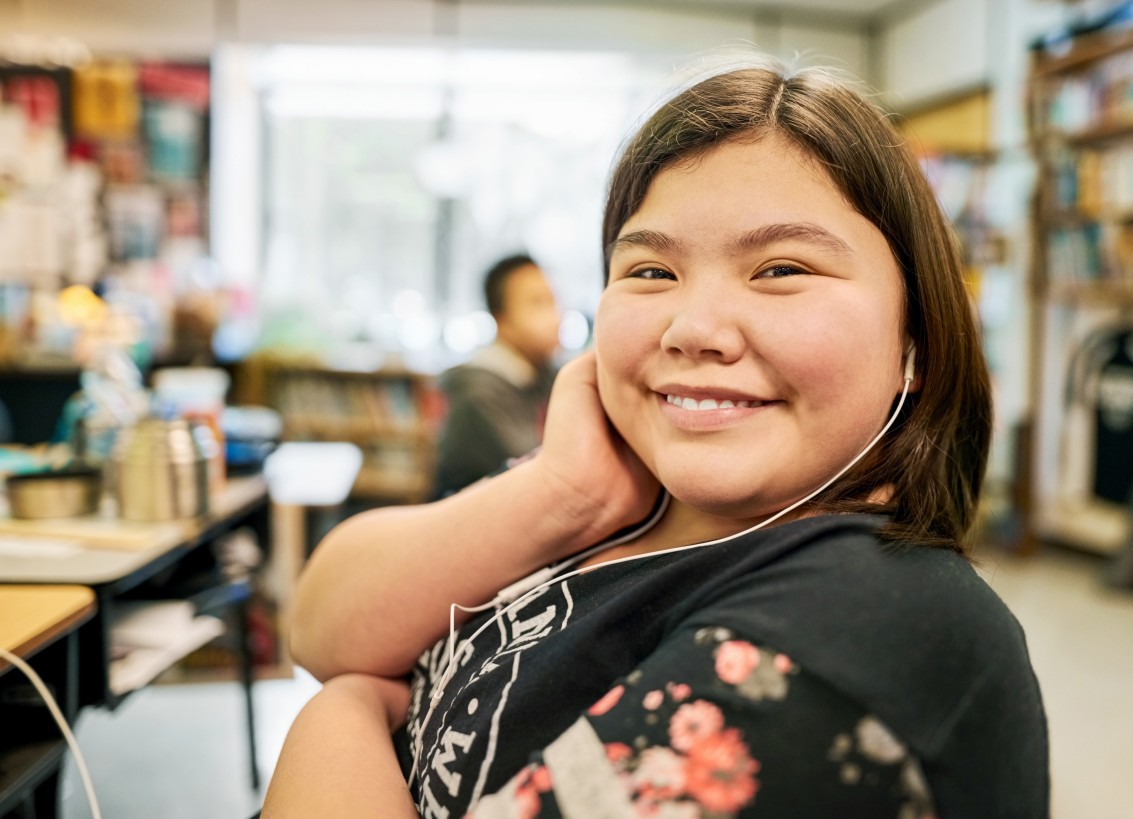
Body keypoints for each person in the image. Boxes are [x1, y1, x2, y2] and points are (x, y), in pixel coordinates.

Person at [262, 57, 1048, 818]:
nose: (692, 328)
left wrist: (342, 715)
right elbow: (323, 622)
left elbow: (340, 670)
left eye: (780, 270)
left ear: (916, 337)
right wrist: (560, 493)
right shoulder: (608, 491)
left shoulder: (877, 624)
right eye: (650, 272)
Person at [434, 254, 561, 497]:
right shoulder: (478, 393)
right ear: (501, 320)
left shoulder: (543, 373)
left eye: (553, 301)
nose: (555, 317)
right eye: (537, 303)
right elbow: (541, 473)